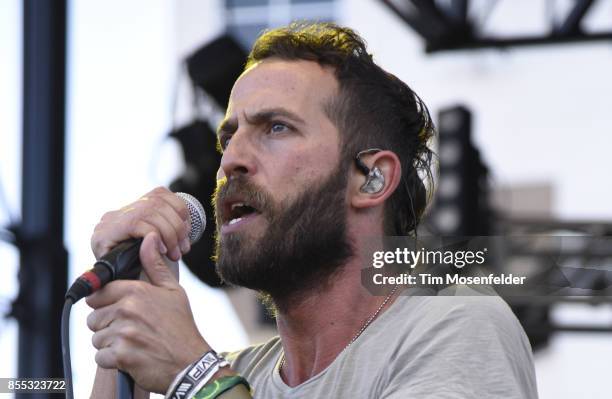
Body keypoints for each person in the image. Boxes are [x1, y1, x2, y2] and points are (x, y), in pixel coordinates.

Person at [87, 22, 538, 398]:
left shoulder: (454, 324)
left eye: (276, 127)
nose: (230, 161)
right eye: (229, 138)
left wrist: (195, 374)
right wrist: (125, 310)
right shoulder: (238, 375)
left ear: (371, 178)